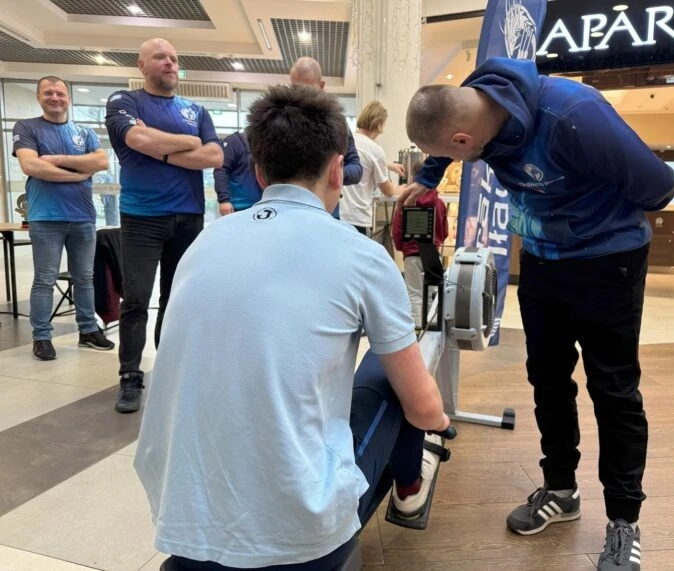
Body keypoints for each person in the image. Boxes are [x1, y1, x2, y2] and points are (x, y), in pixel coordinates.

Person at [134, 84, 450, 571]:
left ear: (259, 172)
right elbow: (423, 407)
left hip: (182, 526)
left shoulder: (205, 243)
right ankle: (409, 491)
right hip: (302, 541)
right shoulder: (362, 255)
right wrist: (440, 426)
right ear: (336, 170)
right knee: (393, 376)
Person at [401, 57, 674, 571]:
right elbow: (445, 133)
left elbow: (659, 187)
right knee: (547, 379)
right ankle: (561, 490)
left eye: (449, 155)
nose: (450, 161)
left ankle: (624, 521)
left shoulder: (574, 116)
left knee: (613, 390)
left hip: (608, 262)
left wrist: (592, 215)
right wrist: (429, 176)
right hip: (543, 262)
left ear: (463, 139)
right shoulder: (476, 102)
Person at [105, 38, 223, 413]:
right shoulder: (123, 102)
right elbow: (136, 137)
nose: (170, 63)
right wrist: (188, 142)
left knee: (177, 300)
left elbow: (214, 155)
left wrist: (161, 149)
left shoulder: (195, 109)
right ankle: (130, 376)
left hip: (188, 217)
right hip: (142, 217)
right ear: (141, 65)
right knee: (136, 299)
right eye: (160, 57)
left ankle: (169, 370)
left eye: (173, 58)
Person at [13, 75, 115, 361]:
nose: (55, 97)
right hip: (46, 217)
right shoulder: (27, 127)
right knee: (45, 279)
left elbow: (101, 161)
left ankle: (88, 330)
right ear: (39, 97)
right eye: (48, 93)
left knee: (85, 277)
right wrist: (79, 174)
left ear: (68, 98)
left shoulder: (85, 132)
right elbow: (31, 166)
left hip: (82, 216)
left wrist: (56, 160)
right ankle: (42, 337)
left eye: (60, 93)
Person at [289, 56, 362, 219]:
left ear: (321, 86)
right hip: (288, 211)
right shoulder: (281, 122)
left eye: (308, 90)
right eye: (296, 89)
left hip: (325, 213)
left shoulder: (337, 123)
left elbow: (356, 169)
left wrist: (329, 174)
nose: (302, 97)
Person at [391, 160, 448, 328]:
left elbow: (397, 230)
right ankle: (431, 326)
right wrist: (436, 243)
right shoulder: (439, 203)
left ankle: (416, 327)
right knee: (431, 292)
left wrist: (403, 247)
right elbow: (444, 231)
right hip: (432, 255)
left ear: (413, 177)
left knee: (414, 293)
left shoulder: (406, 201)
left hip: (411, 255)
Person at [339, 100, 404, 236]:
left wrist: (388, 165)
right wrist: (401, 189)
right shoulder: (375, 150)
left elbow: (362, 160)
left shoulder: (346, 142)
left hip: (339, 215)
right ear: (379, 124)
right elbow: (387, 190)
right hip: (358, 219)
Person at [213, 130, 262, 215]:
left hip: (264, 207)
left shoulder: (269, 142)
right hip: (237, 208)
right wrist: (224, 200)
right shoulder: (234, 141)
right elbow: (221, 170)